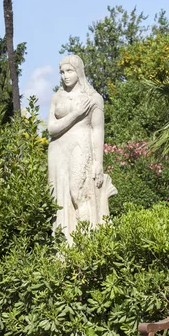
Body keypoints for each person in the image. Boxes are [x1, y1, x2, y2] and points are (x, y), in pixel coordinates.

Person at [48, 55, 117, 243]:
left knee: (78, 192)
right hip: (57, 150)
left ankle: (86, 241)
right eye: (62, 72)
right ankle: (64, 244)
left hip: (80, 146)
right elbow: (51, 128)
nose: (65, 76)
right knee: (57, 199)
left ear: (79, 71)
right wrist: (75, 114)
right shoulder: (57, 97)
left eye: (69, 71)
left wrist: (98, 162)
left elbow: (97, 130)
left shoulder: (94, 99)